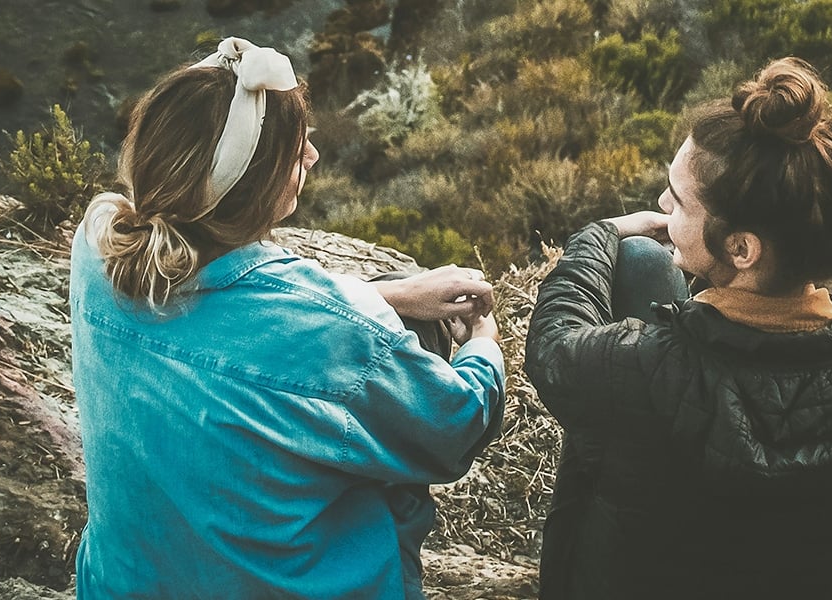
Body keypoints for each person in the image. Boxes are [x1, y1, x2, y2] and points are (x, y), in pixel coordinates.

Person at [69, 37, 505, 599]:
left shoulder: (96, 242)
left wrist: (393, 295)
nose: (312, 156)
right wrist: (484, 344)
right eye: (295, 148)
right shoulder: (330, 331)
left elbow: (230, 316)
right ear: (253, 188)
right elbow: (454, 427)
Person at [523, 57, 832, 599]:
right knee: (655, 263)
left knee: (639, 260)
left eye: (678, 198)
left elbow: (553, 345)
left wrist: (599, 234)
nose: (661, 204)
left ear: (742, 248)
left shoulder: (641, 366)